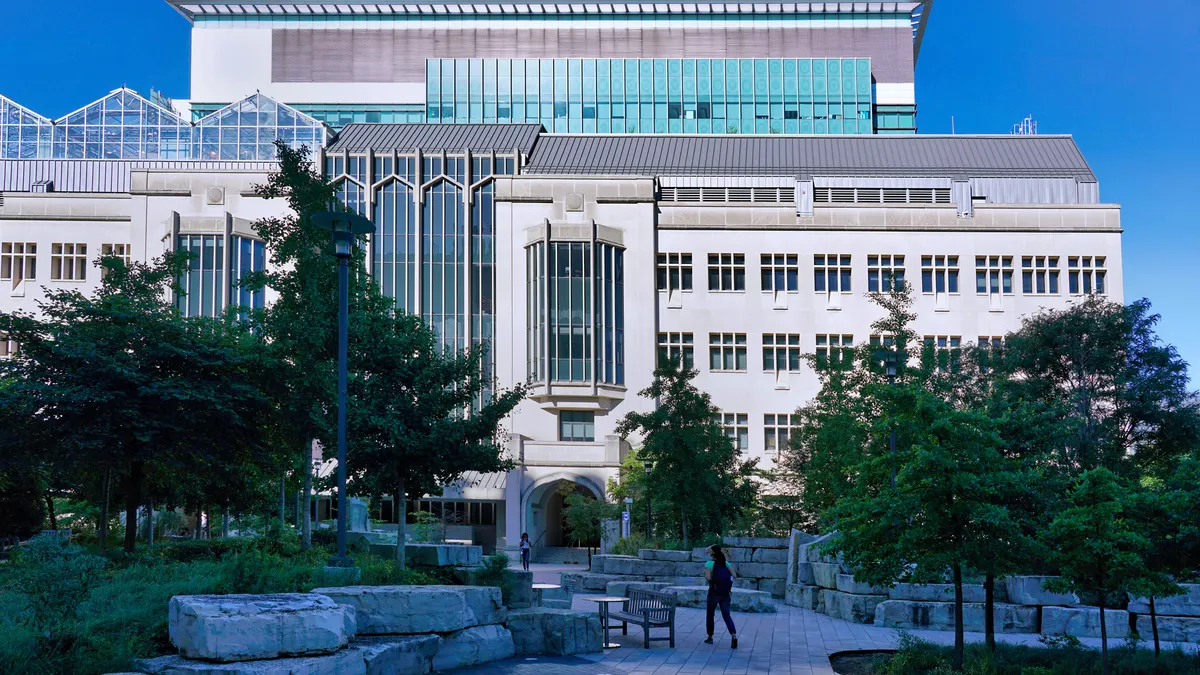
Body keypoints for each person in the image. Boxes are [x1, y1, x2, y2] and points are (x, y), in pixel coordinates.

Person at [704, 545, 738, 648]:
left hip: (714, 592)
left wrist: (706, 573)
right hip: (725, 593)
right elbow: (735, 575)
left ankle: (710, 637)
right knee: (726, 615)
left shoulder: (709, 563)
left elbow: (708, 577)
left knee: (710, 614)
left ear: (712, 553)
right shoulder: (725, 563)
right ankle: (734, 635)